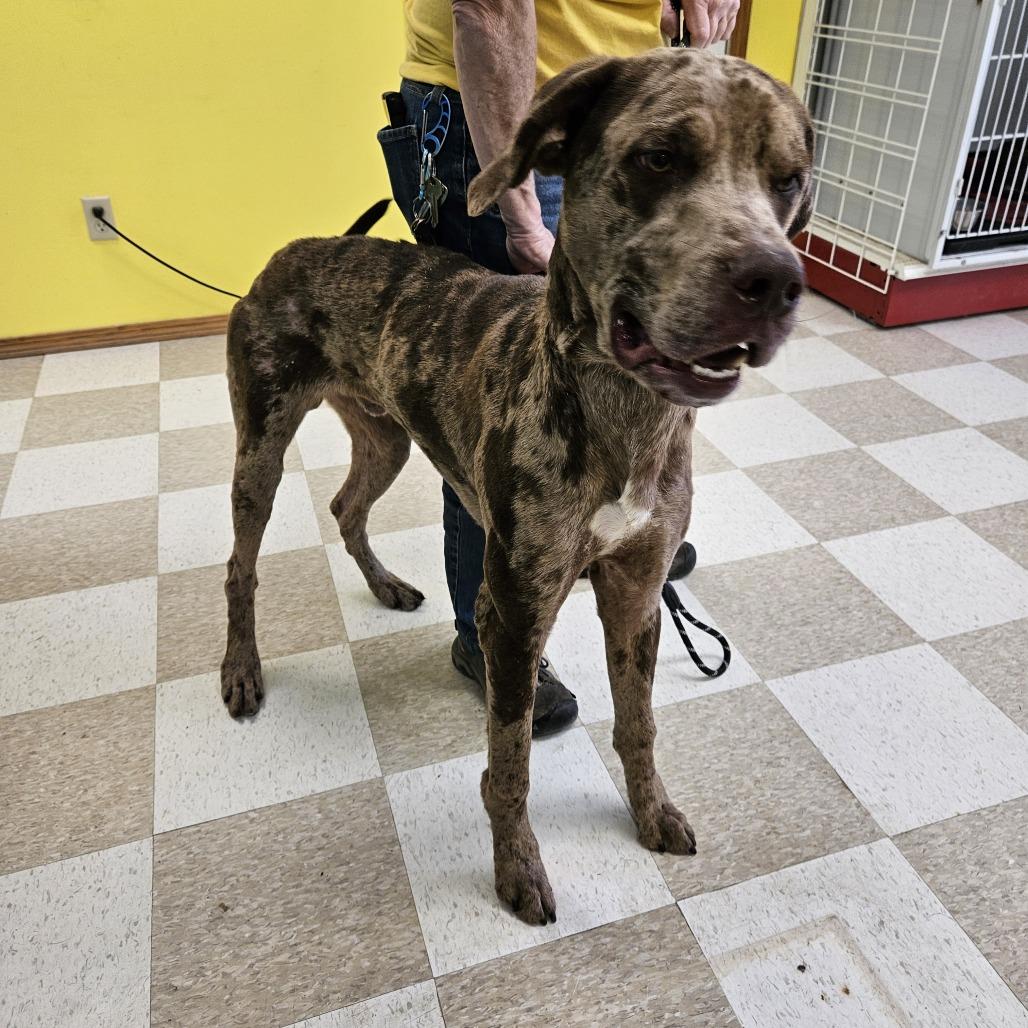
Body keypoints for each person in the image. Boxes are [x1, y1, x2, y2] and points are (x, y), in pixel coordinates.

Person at [378, 0, 739, 736]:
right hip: (513, 105)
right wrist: (520, 209)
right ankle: (491, 633)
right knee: (496, 397)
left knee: (648, 343)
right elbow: (488, 9)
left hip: (640, 108)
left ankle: (629, 526)